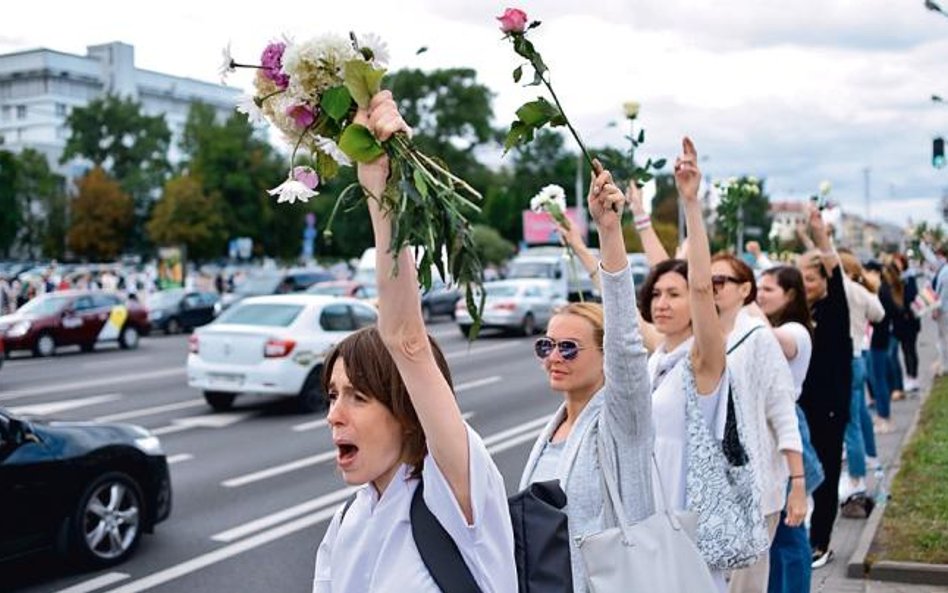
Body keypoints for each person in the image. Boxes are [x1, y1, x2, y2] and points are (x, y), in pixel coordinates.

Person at [312, 91, 516, 592]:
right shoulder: (345, 525)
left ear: (408, 413)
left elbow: (405, 340)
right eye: (333, 395)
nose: (335, 414)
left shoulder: (455, 495)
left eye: (359, 396)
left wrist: (379, 185)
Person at [520, 161, 654, 592]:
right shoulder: (554, 426)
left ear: (604, 355)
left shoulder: (621, 421)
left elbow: (627, 342)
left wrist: (609, 234)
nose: (553, 357)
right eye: (547, 345)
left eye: (569, 347)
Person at [638, 138, 733, 589]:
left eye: (672, 295)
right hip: (645, 517)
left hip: (690, 517)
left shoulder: (704, 359)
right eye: (656, 294)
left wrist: (691, 203)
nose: (662, 302)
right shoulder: (657, 355)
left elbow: (697, 287)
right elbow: (615, 286)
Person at [707, 254, 804, 593]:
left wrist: (798, 484)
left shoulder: (758, 338)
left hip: (755, 486)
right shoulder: (694, 338)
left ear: (744, 288)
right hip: (704, 486)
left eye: (720, 281)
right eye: (706, 280)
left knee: (747, 586)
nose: (711, 287)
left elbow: (782, 413)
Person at [754, 265, 821, 593]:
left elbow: (770, 341)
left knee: (789, 532)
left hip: (787, 434)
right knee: (775, 532)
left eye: (768, 289)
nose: (759, 294)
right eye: (757, 287)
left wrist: (742, 298)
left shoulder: (796, 331)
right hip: (765, 436)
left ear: (790, 294)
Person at [795, 206, 852, 569]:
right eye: (800, 278)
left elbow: (836, 274)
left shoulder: (834, 308)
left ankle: (821, 541)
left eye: (811, 279)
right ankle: (798, 532)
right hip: (800, 405)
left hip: (829, 405)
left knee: (826, 473)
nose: (805, 284)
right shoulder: (796, 313)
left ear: (826, 282)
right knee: (800, 471)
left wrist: (821, 238)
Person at [837, 251, 884, 501]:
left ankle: (855, 480)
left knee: (847, 424)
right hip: (858, 355)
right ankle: (862, 471)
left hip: (840, 360)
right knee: (856, 417)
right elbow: (878, 314)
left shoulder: (835, 288)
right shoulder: (858, 290)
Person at [892, 253, 921, 394]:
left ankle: (913, 377)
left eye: (898, 262)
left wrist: (903, 306)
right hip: (901, 322)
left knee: (911, 349)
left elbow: (911, 296)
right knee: (905, 349)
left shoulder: (909, 278)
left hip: (910, 320)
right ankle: (909, 376)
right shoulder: (898, 278)